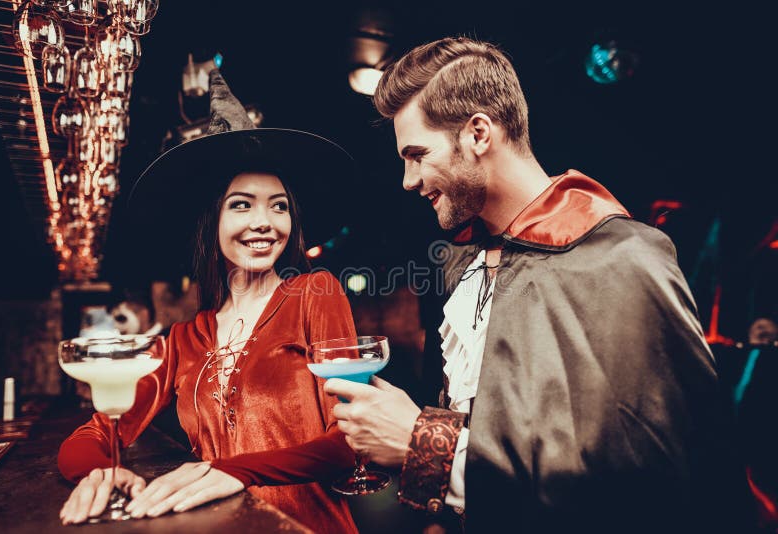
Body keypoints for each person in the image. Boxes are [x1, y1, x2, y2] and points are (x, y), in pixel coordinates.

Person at [325, 37, 753, 532]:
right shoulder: (463, 264)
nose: (408, 179)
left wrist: (423, 443)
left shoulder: (623, 260)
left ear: (478, 133)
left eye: (417, 155)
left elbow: (653, 483)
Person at [57, 69, 360, 532]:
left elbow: (349, 440)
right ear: (211, 222)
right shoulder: (184, 339)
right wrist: (99, 471)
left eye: (278, 206)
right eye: (242, 204)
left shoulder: (314, 294)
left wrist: (234, 471)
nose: (265, 222)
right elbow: (95, 433)